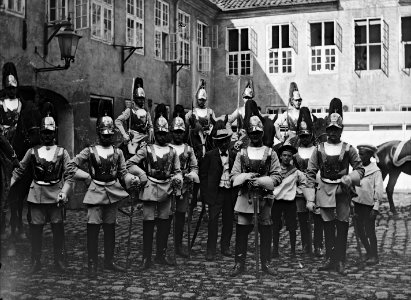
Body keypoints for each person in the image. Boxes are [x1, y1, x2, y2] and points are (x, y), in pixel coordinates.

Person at [62, 114, 140, 276]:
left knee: (110, 228)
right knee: (93, 228)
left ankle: (109, 261)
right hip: (95, 191)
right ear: (98, 133)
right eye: (104, 134)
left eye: (110, 134)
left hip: (112, 190)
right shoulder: (89, 151)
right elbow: (70, 166)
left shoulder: (118, 152)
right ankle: (92, 263)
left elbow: (123, 172)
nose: (107, 137)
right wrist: (86, 177)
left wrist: (131, 179)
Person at [304, 98, 364, 275]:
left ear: (341, 130)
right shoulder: (319, 149)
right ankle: (330, 258)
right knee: (328, 226)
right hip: (324, 190)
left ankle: (340, 260)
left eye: (336, 130)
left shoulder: (348, 148)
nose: (332, 133)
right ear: (326, 130)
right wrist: (309, 198)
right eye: (330, 129)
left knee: (342, 226)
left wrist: (350, 178)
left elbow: (360, 169)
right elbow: (310, 173)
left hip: (342, 192)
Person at [11, 104, 70, 274]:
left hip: (56, 194)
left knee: (58, 229)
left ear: (55, 133)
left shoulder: (62, 152)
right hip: (37, 195)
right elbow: (20, 170)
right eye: (44, 132)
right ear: (40, 133)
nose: (47, 136)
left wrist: (64, 192)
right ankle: (35, 261)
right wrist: (10, 185)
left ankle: (59, 260)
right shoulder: (32, 151)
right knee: (36, 230)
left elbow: (70, 174)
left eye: (50, 132)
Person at [127, 104, 182, 269]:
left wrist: (177, 179)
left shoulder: (172, 152)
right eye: (159, 133)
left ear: (168, 133)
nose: (162, 136)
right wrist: (142, 175)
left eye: (165, 133)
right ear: (155, 133)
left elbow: (177, 170)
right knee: (148, 222)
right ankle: (146, 257)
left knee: (164, 222)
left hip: (166, 187)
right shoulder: (147, 149)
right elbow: (130, 164)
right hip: (150, 186)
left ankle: (161, 254)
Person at [230, 115, 282, 276]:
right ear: (248, 135)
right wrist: (245, 177)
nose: (255, 136)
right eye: (252, 133)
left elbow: (277, 176)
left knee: (265, 231)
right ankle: (239, 263)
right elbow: (233, 175)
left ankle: (266, 262)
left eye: (257, 133)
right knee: (241, 231)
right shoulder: (242, 153)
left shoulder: (270, 153)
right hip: (246, 197)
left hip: (264, 198)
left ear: (262, 134)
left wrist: (261, 181)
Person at [285, 107, 324, 256]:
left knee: (317, 217)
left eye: (307, 136)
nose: (305, 139)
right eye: (302, 136)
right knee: (302, 218)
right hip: (301, 190)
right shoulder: (295, 153)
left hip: (316, 188)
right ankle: (306, 244)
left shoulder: (317, 150)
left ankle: (318, 245)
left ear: (311, 135)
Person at [200, 124, 237, 261]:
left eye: (226, 141)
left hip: (229, 193)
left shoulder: (234, 155)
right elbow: (203, 176)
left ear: (229, 141)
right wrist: (205, 195)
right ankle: (211, 250)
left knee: (228, 221)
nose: (223, 143)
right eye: (220, 141)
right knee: (213, 221)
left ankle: (225, 246)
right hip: (215, 193)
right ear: (216, 142)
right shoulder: (209, 156)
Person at [169, 115, 199, 258]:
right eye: (176, 131)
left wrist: (192, 175)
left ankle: (178, 245)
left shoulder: (189, 149)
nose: (178, 134)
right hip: (168, 186)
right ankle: (163, 247)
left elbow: (194, 167)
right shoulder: (167, 147)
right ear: (171, 132)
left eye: (181, 132)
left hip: (184, 188)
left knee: (181, 216)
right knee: (166, 217)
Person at [272, 144, 308, 258]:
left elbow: (304, 182)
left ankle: (293, 251)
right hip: (277, 201)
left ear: (292, 157)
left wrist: (298, 191)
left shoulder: (295, 171)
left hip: (290, 202)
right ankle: (275, 251)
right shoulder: (275, 170)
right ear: (280, 157)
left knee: (292, 227)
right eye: (284, 155)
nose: (286, 158)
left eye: (289, 156)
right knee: (275, 226)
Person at [352, 144, 383, 265]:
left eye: (363, 154)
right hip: (357, 204)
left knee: (370, 231)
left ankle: (374, 255)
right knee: (359, 231)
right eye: (359, 154)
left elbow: (378, 190)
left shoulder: (376, 171)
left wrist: (376, 207)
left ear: (370, 156)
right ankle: (368, 252)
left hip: (369, 206)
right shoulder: (356, 169)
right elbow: (352, 186)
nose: (360, 157)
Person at [115, 77, 154, 156]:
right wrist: (124, 135)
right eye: (139, 98)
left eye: (143, 99)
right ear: (135, 99)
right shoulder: (129, 111)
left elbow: (150, 126)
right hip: (133, 140)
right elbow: (117, 121)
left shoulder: (147, 112)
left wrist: (151, 132)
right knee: (127, 153)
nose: (141, 101)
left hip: (144, 139)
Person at [185, 80, 216, 160]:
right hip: (196, 137)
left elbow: (214, 124)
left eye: (203, 100)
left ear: (205, 100)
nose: (201, 101)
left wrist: (210, 129)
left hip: (207, 137)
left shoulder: (210, 111)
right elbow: (187, 122)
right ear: (197, 99)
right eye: (200, 99)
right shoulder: (193, 111)